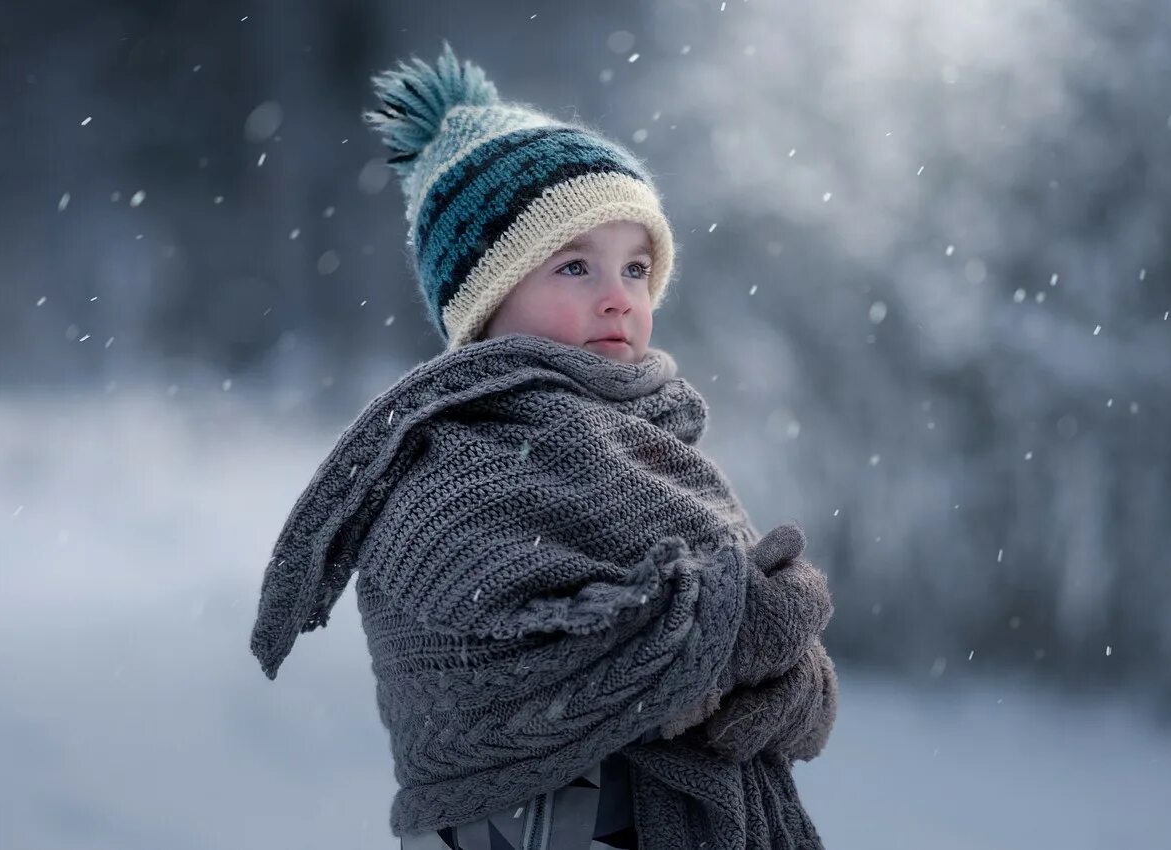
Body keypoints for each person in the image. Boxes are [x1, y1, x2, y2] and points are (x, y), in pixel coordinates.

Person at [249, 41, 838, 850]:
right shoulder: (451, 465)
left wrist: (770, 655)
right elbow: (548, 650)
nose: (617, 299)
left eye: (636, 268)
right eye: (573, 267)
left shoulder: (659, 444)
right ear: (488, 300)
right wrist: (729, 627)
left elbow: (770, 666)